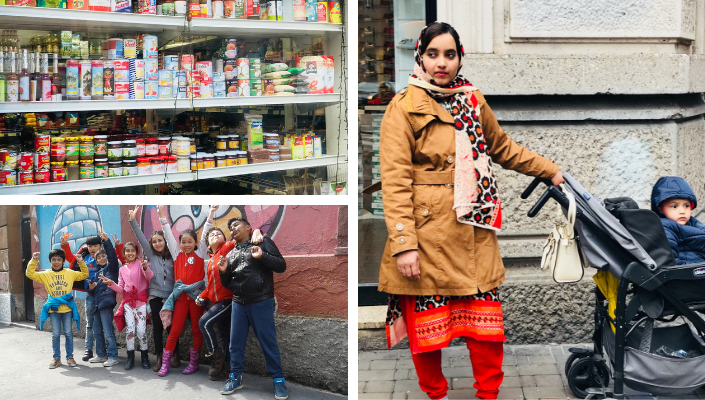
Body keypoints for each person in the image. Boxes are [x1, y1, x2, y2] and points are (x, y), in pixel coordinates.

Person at [377, 22, 564, 400]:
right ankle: (435, 395)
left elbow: (504, 148)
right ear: (420, 57)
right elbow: (394, 183)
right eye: (433, 54)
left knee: (486, 329)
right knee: (427, 332)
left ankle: (488, 394)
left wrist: (551, 171)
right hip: (427, 236)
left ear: (460, 57)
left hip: (473, 229)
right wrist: (403, 244)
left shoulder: (472, 100)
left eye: (450, 54)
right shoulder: (403, 107)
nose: (441, 63)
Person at [218, 217, 288, 400]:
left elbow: (281, 266)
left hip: (261, 301)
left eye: (236, 226)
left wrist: (262, 255)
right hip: (238, 303)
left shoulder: (262, 242)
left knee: (268, 342)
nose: (232, 229)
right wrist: (223, 271)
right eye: (230, 228)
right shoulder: (231, 254)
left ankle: (278, 380)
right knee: (236, 344)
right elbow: (228, 284)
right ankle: (235, 378)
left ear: (249, 227)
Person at [156, 204, 208, 377]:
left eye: (190, 242)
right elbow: (168, 234)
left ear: (195, 243)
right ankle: (165, 364)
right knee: (175, 330)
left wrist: (212, 214)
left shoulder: (200, 254)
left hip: (196, 299)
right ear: (179, 244)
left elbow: (206, 230)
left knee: (196, 330)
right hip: (180, 299)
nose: (186, 245)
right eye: (183, 242)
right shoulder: (177, 254)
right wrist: (162, 215)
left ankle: (193, 363)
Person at [127, 205, 181, 372]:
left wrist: (161, 216)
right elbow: (140, 237)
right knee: (158, 326)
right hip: (156, 296)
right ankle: (159, 356)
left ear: (165, 241)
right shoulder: (150, 255)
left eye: (160, 240)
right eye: (154, 241)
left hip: (172, 295)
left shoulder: (173, 255)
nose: (157, 243)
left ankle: (175, 354)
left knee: (172, 326)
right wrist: (132, 220)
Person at [26, 249, 88, 369]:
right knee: (55, 335)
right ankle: (56, 358)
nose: (56, 262)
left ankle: (70, 357)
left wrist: (80, 262)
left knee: (69, 334)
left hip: (67, 310)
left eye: (59, 259)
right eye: (53, 260)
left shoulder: (70, 273)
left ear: (63, 261)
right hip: (54, 310)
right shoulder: (46, 274)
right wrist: (34, 260)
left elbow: (84, 275)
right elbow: (30, 274)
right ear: (50, 261)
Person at [101, 242, 153, 370]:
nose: (130, 253)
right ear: (124, 254)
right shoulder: (122, 270)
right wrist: (111, 283)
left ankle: (145, 357)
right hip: (128, 303)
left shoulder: (141, 264)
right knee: (130, 330)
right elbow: (121, 289)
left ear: (137, 253)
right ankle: (130, 358)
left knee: (141, 331)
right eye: (127, 251)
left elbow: (149, 277)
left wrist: (146, 268)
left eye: (132, 251)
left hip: (140, 302)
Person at [60, 232, 102, 362]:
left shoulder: (104, 257)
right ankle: (88, 349)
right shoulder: (84, 258)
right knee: (89, 323)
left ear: (100, 246)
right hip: (90, 294)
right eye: (90, 246)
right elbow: (70, 257)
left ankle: (105, 349)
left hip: (104, 295)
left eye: (95, 246)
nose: (92, 248)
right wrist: (65, 244)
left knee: (104, 324)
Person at [651, 176, 705, 264]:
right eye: (674, 206)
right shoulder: (664, 228)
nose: (682, 211)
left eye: (686, 206)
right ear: (660, 208)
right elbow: (670, 261)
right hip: (688, 272)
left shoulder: (692, 223)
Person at [86, 231, 121, 367]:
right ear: (96, 261)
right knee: (97, 331)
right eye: (98, 258)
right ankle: (101, 354)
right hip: (96, 306)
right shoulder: (97, 274)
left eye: (103, 256)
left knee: (108, 331)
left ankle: (113, 356)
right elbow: (92, 290)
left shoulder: (111, 269)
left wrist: (106, 242)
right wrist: (91, 287)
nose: (101, 258)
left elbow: (112, 257)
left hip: (105, 305)